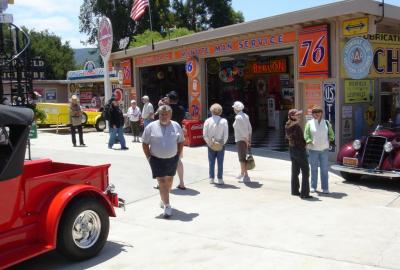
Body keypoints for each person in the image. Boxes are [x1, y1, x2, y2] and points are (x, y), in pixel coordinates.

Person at [142, 105, 185, 218]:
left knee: (169, 180)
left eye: (166, 114)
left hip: (172, 159)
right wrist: (149, 157)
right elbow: (145, 143)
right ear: (158, 114)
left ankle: (163, 198)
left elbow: (181, 141)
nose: (163, 116)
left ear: (170, 115)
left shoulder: (176, 126)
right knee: (161, 181)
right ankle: (167, 205)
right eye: (161, 114)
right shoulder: (151, 127)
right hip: (156, 159)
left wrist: (178, 154)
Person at [304, 105, 335, 194]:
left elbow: (331, 134)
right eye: (314, 112)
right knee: (313, 168)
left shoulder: (326, 123)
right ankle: (313, 186)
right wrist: (309, 140)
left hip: (324, 149)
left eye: (318, 112)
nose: (316, 114)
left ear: (321, 113)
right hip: (313, 150)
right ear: (312, 114)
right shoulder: (309, 123)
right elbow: (306, 135)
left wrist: (331, 138)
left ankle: (325, 188)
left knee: (324, 169)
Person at [285, 109, 311, 199]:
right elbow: (299, 141)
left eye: (299, 115)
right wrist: (307, 143)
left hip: (292, 150)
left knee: (295, 171)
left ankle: (295, 191)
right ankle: (305, 193)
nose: (299, 116)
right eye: (297, 115)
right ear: (292, 116)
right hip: (299, 150)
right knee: (306, 171)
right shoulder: (295, 126)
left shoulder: (287, 124)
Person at [203, 103, 229, 185]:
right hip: (221, 144)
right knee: (220, 162)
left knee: (211, 162)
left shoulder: (207, 121)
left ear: (211, 111)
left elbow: (205, 134)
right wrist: (222, 144)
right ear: (220, 111)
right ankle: (220, 179)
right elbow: (226, 135)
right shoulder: (224, 121)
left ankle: (211, 178)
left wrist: (209, 143)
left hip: (211, 143)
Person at [166, 91, 186, 190]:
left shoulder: (166, 109)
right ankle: (181, 182)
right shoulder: (181, 108)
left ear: (169, 99)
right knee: (178, 160)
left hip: (168, 134)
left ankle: (163, 183)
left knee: (164, 159)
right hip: (179, 134)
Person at [232, 101, 252, 182]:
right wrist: (249, 139)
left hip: (241, 139)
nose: (233, 109)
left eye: (234, 108)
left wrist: (246, 140)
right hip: (245, 139)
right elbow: (249, 128)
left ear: (236, 108)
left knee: (242, 158)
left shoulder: (238, 117)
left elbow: (242, 130)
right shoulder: (245, 116)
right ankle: (243, 173)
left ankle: (245, 175)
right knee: (243, 157)